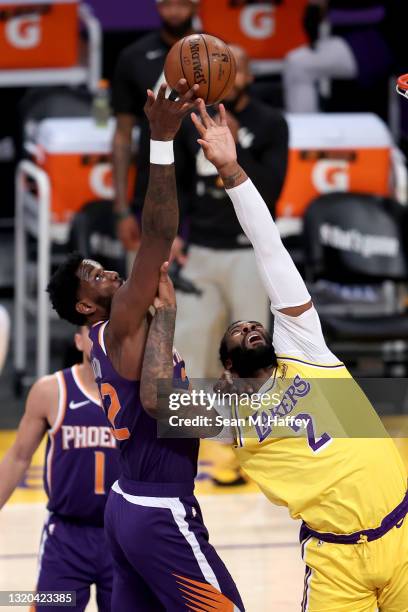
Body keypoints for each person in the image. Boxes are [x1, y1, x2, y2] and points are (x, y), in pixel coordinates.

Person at [140, 100, 408, 611]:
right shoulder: (230, 418)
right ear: (227, 369)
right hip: (336, 561)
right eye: (237, 333)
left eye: (251, 324)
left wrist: (231, 169)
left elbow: (269, 248)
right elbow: (157, 402)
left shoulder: (306, 347)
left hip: (403, 533)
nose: (246, 325)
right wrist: (166, 315)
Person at [47, 84, 244, 611]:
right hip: (159, 509)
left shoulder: (115, 335)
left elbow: (161, 397)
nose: (108, 270)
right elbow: (158, 233)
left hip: (126, 505)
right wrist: (160, 139)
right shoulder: (123, 320)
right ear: (87, 307)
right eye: (94, 276)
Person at [173, 44, 288, 380]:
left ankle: (257, 426)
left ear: (249, 75)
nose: (226, 75)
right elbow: (177, 184)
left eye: (234, 68)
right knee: (189, 345)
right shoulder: (191, 120)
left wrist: (234, 150)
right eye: (218, 67)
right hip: (201, 250)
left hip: (249, 252)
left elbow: (271, 192)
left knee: (252, 352)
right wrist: (173, 235)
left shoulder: (271, 123)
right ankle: (191, 429)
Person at [0, 327, 120, 612]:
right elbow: (18, 456)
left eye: (111, 332)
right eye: (94, 332)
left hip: (124, 537)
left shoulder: (142, 393)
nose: (103, 339)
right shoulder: (51, 390)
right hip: (67, 537)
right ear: (79, 340)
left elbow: (201, 422)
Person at [112, 0, 199, 251]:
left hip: (207, 198)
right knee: (148, 284)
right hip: (153, 186)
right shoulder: (133, 57)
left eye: (182, 4)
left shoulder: (217, 56)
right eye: (167, 4)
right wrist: (121, 209)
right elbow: (122, 134)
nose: (174, 11)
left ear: (196, 6)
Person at [283, 0, 396, 113]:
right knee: (298, 63)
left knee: (298, 63)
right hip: (342, 37)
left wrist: (328, 10)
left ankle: (306, 128)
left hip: (375, 42)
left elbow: (377, 12)